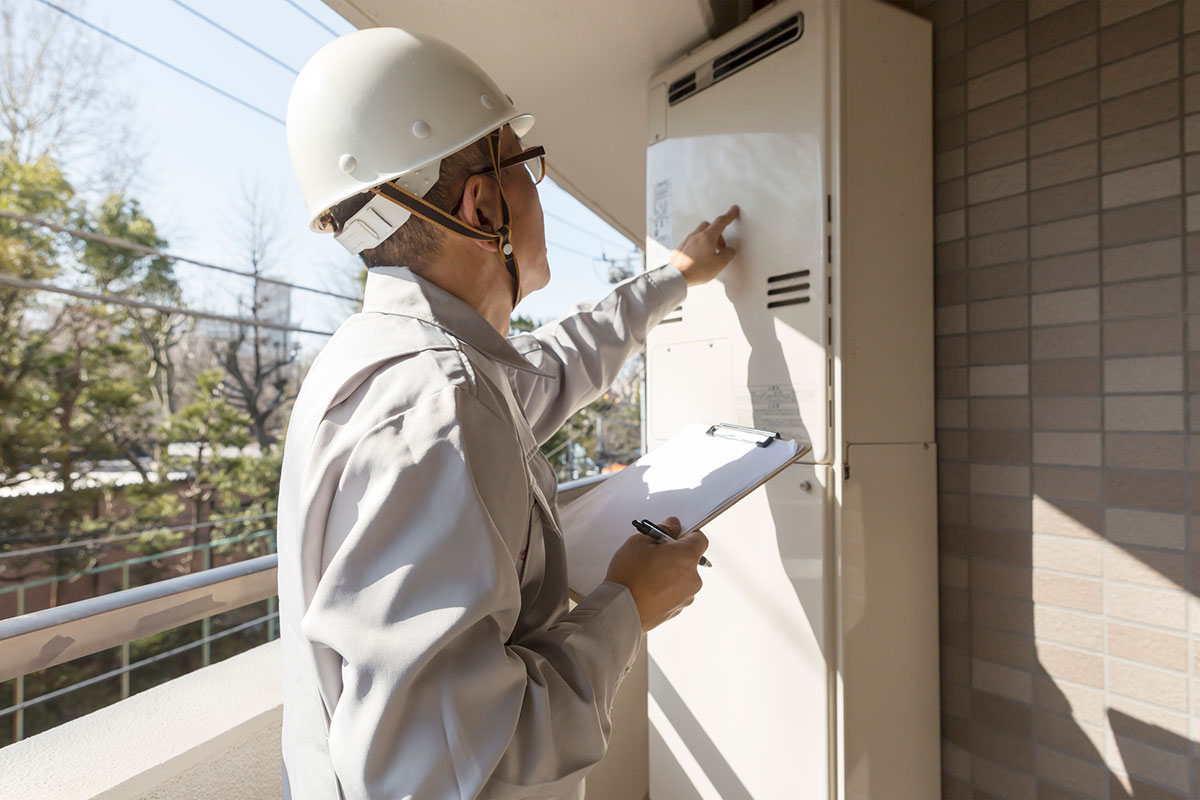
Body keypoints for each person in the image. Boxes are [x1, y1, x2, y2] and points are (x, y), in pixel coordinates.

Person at [277, 26, 740, 800]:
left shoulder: (397, 365)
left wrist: (673, 277)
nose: (537, 188)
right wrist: (629, 605)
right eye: (526, 165)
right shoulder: (440, 407)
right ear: (483, 201)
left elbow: (554, 363)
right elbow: (429, 776)